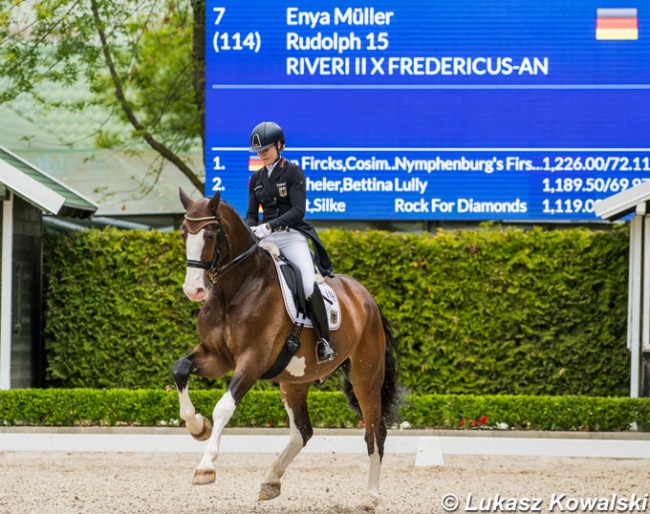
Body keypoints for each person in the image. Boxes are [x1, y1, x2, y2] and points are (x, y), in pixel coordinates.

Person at [245, 121, 335, 363]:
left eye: (265, 149)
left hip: (291, 236)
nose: (262, 154)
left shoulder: (293, 172)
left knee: (306, 285)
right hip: (266, 238)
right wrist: (251, 228)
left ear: (279, 145)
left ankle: (323, 341)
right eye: (259, 151)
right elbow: (252, 213)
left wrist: (269, 225)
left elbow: (298, 210)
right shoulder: (256, 179)